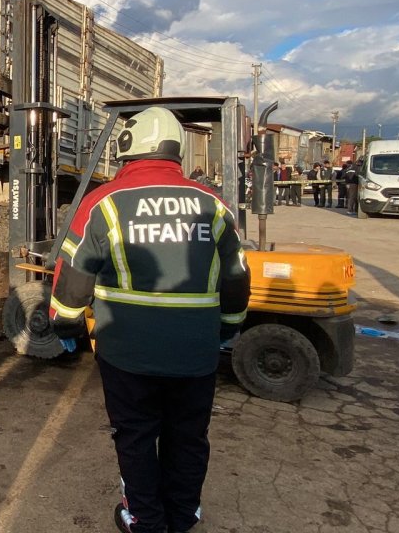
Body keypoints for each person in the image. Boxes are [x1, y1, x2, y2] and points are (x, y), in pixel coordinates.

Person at [48, 106, 251, 533]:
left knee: (136, 434)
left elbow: (74, 277)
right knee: (188, 436)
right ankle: (183, 514)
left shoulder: (103, 203)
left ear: (127, 148)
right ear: (176, 150)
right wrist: (229, 327)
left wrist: (65, 325)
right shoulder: (213, 205)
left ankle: (143, 517)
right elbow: (235, 277)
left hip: (127, 351)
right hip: (195, 352)